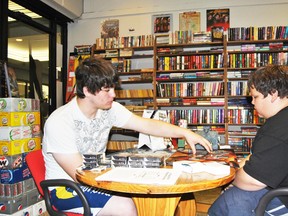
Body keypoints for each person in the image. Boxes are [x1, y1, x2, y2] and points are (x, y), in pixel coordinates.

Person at [42, 56, 212, 215]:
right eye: (106, 90)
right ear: (87, 91)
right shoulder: (60, 121)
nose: (113, 95)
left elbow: (146, 125)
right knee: (127, 206)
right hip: (67, 188)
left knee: (152, 193)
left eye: (113, 88)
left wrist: (184, 132)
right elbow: (79, 173)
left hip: (95, 178)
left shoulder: (109, 109)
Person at [208, 65, 288, 216]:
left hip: (283, 199)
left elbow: (253, 181)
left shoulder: (278, 128)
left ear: (273, 94)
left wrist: (230, 180)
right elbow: (258, 157)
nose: (252, 102)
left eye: (255, 96)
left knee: (230, 201)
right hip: (279, 186)